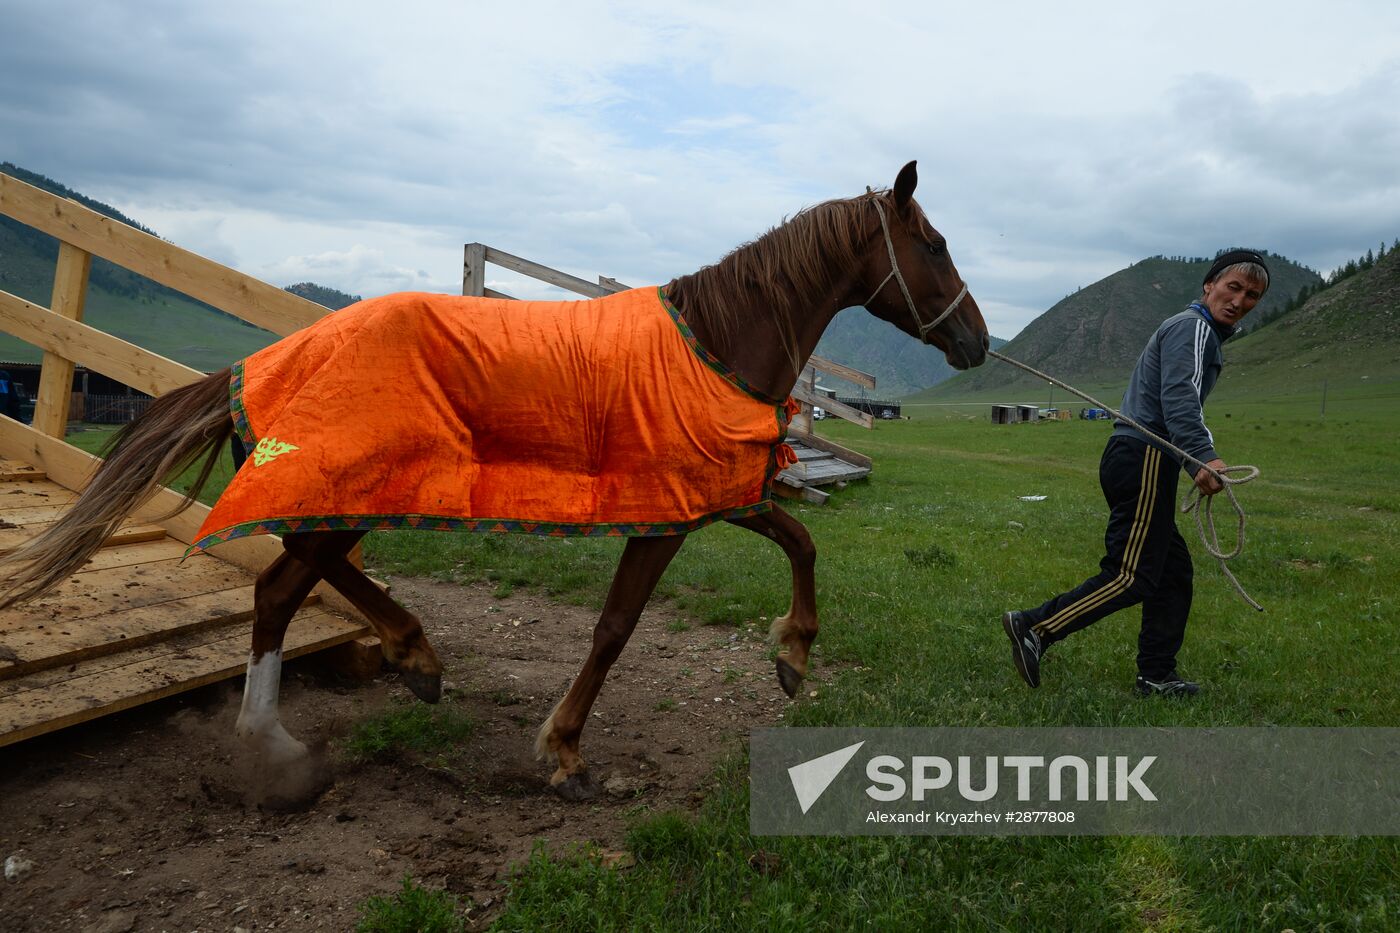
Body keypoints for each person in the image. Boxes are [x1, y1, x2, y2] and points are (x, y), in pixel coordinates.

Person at [1002, 249, 1270, 696]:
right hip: (1144, 457)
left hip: (1143, 457)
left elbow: (1173, 402)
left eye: (1252, 296)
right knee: (1132, 574)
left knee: (1172, 571)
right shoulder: (1195, 327)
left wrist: (1187, 461)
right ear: (1209, 285)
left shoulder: (1195, 329)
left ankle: (1156, 675)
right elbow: (1179, 398)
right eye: (1233, 287)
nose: (1240, 301)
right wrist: (1203, 456)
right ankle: (1035, 627)